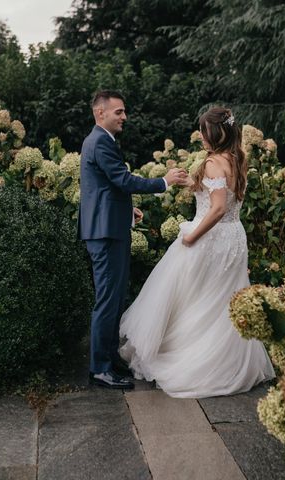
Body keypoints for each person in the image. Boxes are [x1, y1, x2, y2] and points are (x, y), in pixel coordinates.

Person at [119, 106, 275, 398]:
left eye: (204, 131)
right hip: (234, 237)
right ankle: (226, 361)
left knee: (197, 296)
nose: (200, 136)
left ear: (214, 134)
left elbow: (217, 207)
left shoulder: (216, 162)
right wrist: (187, 181)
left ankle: (194, 360)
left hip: (212, 236)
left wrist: (193, 235)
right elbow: (220, 194)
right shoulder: (236, 158)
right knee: (219, 300)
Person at [78, 90, 189, 390]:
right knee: (107, 301)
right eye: (119, 112)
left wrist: (128, 209)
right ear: (100, 113)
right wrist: (166, 181)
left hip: (109, 228)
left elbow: (104, 188)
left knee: (115, 299)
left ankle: (110, 359)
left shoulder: (101, 141)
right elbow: (123, 180)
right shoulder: (100, 141)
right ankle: (99, 368)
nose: (124, 117)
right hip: (104, 234)